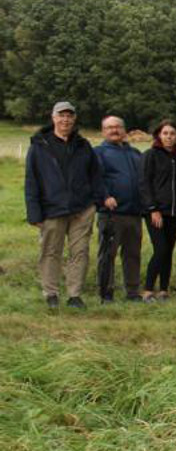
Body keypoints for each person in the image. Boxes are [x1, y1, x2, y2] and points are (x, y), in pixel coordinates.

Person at [24, 101, 106, 309]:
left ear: (74, 119)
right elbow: (31, 181)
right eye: (61, 115)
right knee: (51, 252)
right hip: (51, 209)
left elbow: (95, 176)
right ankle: (51, 294)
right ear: (53, 118)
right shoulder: (39, 146)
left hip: (82, 209)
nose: (65, 119)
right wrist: (34, 214)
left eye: (69, 116)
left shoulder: (83, 145)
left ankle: (74, 295)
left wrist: (97, 201)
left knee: (80, 252)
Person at [93, 116, 144, 304]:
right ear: (103, 131)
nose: (114, 130)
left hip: (134, 213)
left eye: (118, 127)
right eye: (109, 127)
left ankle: (132, 292)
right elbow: (95, 179)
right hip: (111, 213)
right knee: (108, 254)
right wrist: (105, 197)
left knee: (133, 254)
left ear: (124, 130)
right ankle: (106, 293)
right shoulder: (98, 153)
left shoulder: (136, 154)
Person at [139, 120, 176, 301]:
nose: (169, 137)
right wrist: (153, 209)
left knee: (168, 251)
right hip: (156, 212)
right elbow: (144, 184)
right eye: (165, 133)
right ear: (159, 136)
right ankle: (147, 289)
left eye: (172, 133)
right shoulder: (150, 155)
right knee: (160, 249)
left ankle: (163, 290)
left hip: (174, 213)